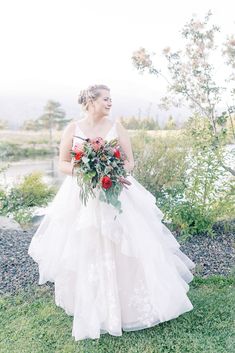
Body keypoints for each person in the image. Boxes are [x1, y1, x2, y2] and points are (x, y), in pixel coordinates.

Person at [28, 84, 196, 341]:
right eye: (106, 99)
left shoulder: (117, 127)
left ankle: (129, 308)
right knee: (88, 245)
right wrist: (87, 171)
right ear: (91, 101)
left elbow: (129, 161)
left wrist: (112, 172)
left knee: (124, 244)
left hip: (115, 191)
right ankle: (92, 305)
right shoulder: (73, 129)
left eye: (111, 99)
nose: (110, 103)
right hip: (82, 195)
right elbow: (63, 163)